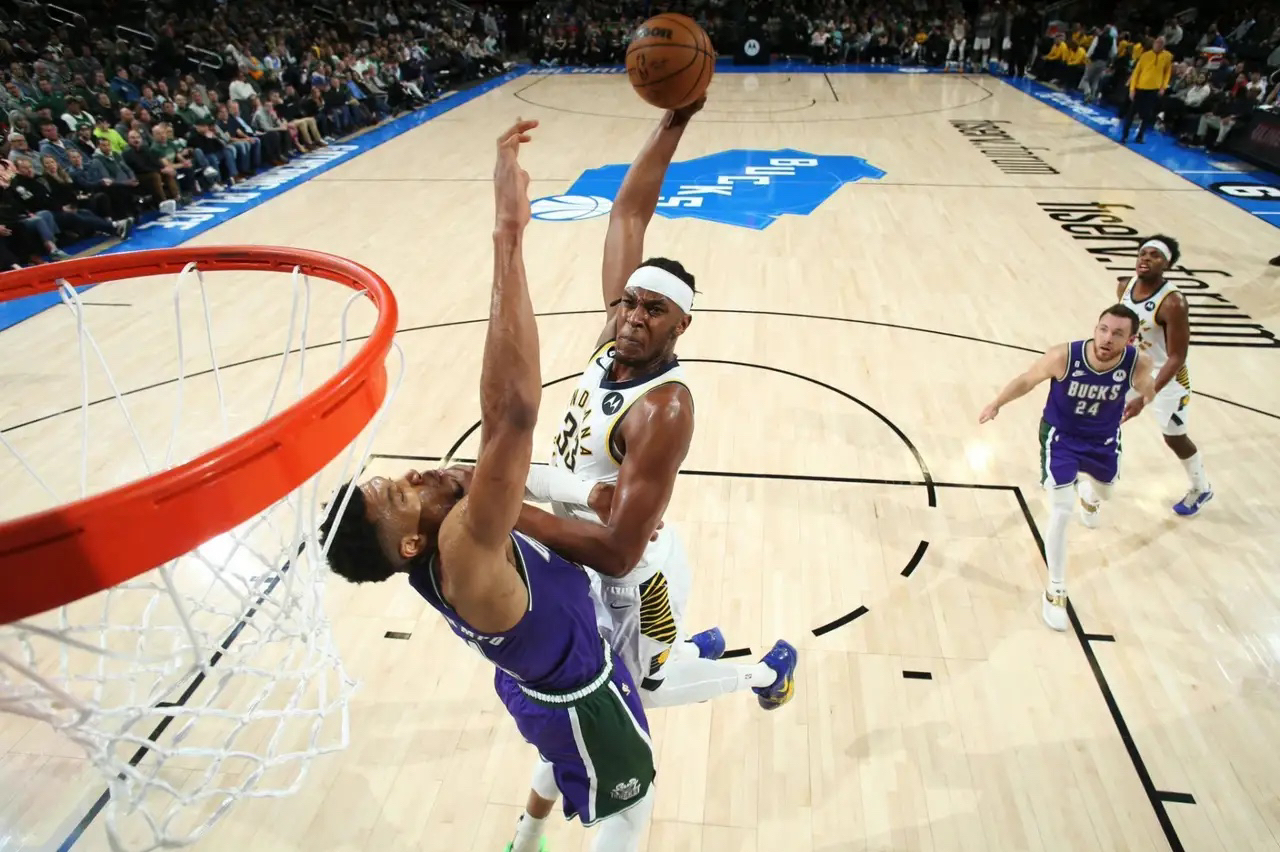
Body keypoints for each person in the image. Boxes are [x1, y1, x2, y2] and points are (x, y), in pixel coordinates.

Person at [320, 119, 657, 851]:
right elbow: (513, 414)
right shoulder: (465, 543)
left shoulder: (449, 538)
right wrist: (508, 235)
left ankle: (525, 839)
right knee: (631, 811)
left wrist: (576, 498)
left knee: (557, 759)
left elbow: (503, 489)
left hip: (541, 684)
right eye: (399, 495)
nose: (412, 476)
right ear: (412, 543)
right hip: (580, 699)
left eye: (393, 478)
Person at [503, 98, 799, 851]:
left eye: (654, 309)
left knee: (634, 697)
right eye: (629, 302)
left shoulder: (664, 409)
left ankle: (764, 671)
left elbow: (618, 551)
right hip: (572, 545)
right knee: (576, 702)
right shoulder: (614, 336)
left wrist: (511, 504)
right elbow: (628, 212)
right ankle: (530, 832)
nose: (633, 316)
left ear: (681, 324)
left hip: (631, 578)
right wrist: (674, 121)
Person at [979, 305, 1154, 630]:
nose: (1107, 338)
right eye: (1103, 329)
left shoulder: (1137, 363)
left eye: (1117, 334)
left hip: (1103, 439)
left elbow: (1148, 387)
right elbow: (1027, 380)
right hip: (1061, 438)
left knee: (1106, 491)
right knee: (1061, 510)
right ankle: (1056, 590)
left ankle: (1091, 495)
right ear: (1095, 328)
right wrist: (997, 403)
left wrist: (1142, 400)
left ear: (1130, 340)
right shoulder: (1065, 356)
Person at [1116, 235, 1212, 515]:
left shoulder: (1173, 303)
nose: (1146, 258)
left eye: (1154, 255)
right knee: (1104, 416)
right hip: (1135, 368)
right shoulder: (1124, 286)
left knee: (1174, 436)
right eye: (1143, 253)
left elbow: (1177, 357)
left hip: (1167, 377)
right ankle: (1095, 476)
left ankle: (1201, 487)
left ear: (1167, 264)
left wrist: (1146, 397)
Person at [1121, 35, 1171, 143]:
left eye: (1161, 43)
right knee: (1131, 113)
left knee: (1147, 115)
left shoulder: (1168, 56)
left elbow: (1167, 73)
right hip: (1140, 88)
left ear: (1164, 45)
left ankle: (1140, 136)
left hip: (1153, 90)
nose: (1158, 44)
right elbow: (1136, 73)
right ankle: (1124, 135)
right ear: (1154, 43)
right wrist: (1132, 89)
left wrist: (1163, 87)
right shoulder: (1145, 55)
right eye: (1157, 42)